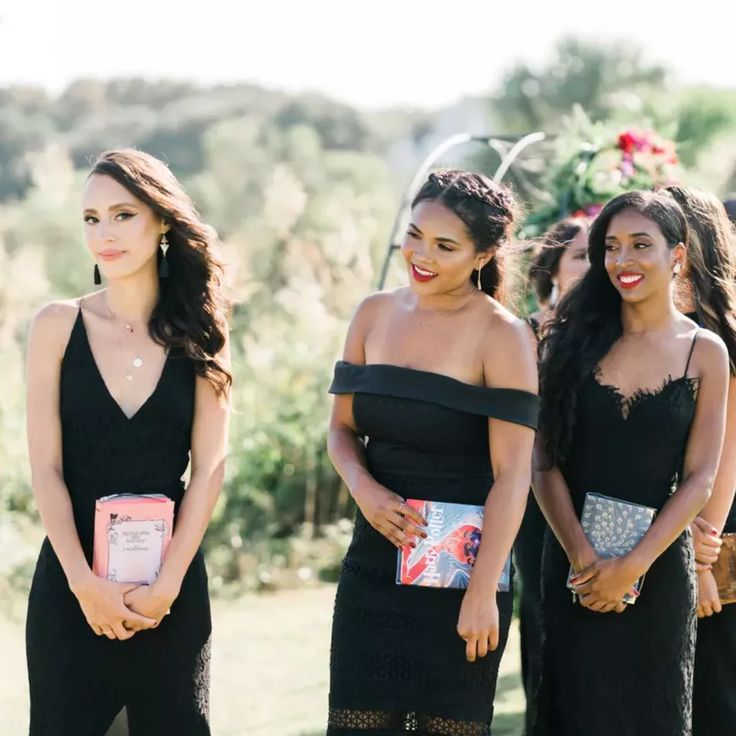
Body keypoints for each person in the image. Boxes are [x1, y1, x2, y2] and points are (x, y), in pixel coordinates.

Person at [25, 149, 231, 735]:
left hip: (171, 589)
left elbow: (210, 466)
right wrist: (84, 584)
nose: (104, 234)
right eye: (91, 218)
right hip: (71, 590)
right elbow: (45, 469)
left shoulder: (205, 333)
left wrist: (167, 586)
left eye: (122, 215)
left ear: (163, 222)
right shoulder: (55, 326)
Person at [326, 169, 538, 735]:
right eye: (414, 235)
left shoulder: (505, 335)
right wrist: (364, 489)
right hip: (371, 571)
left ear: (482, 255)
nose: (421, 254)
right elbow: (341, 432)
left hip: (463, 580)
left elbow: (513, 473)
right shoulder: (371, 314)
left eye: (444, 246)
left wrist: (482, 591)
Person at [532, 190, 729, 735]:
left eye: (641, 245)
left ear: (678, 255)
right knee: (573, 714)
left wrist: (634, 565)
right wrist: (584, 562)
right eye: (612, 247)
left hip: (660, 570)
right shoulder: (566, 342)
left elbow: (699, 478)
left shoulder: (705, 351)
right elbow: (543, 466)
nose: (623, 260)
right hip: (572, 566)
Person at [665, 185, 736, 736]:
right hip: (659, 535)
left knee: (714, 694)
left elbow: (726, 460)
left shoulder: (723, 338)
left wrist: (703, 565)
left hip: (715, 536)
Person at [516, 216, 590, 726]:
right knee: (544, 621)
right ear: (554, 270)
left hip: (599, 496)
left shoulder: (621, 333)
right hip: (534, 502)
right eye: (582, 256)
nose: (598, 263)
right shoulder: (526, 333)